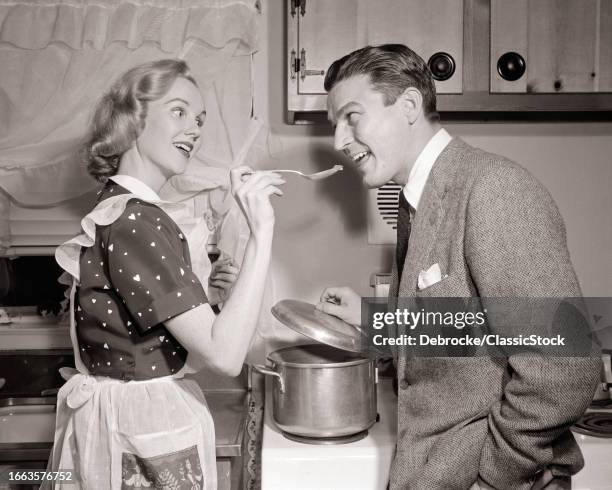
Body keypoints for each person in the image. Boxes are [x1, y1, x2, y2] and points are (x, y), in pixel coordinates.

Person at [316, 44, 601, 490]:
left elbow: (565, 368)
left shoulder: (493, 190)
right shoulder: (420, 202)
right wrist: (374, 321)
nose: (338, 140)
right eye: (334, 124)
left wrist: (494, 475)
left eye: (351, 116)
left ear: (409, 105)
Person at [47, 59, 284, 489]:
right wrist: (261, 230)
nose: (194, 129)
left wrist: (204, 300)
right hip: (144, 434)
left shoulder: (117, 210)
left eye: (199, 119)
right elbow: (225, 356)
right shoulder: (136, 221)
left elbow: (130, 328)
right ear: (132, 122)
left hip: (127, 427)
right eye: (178, 112)